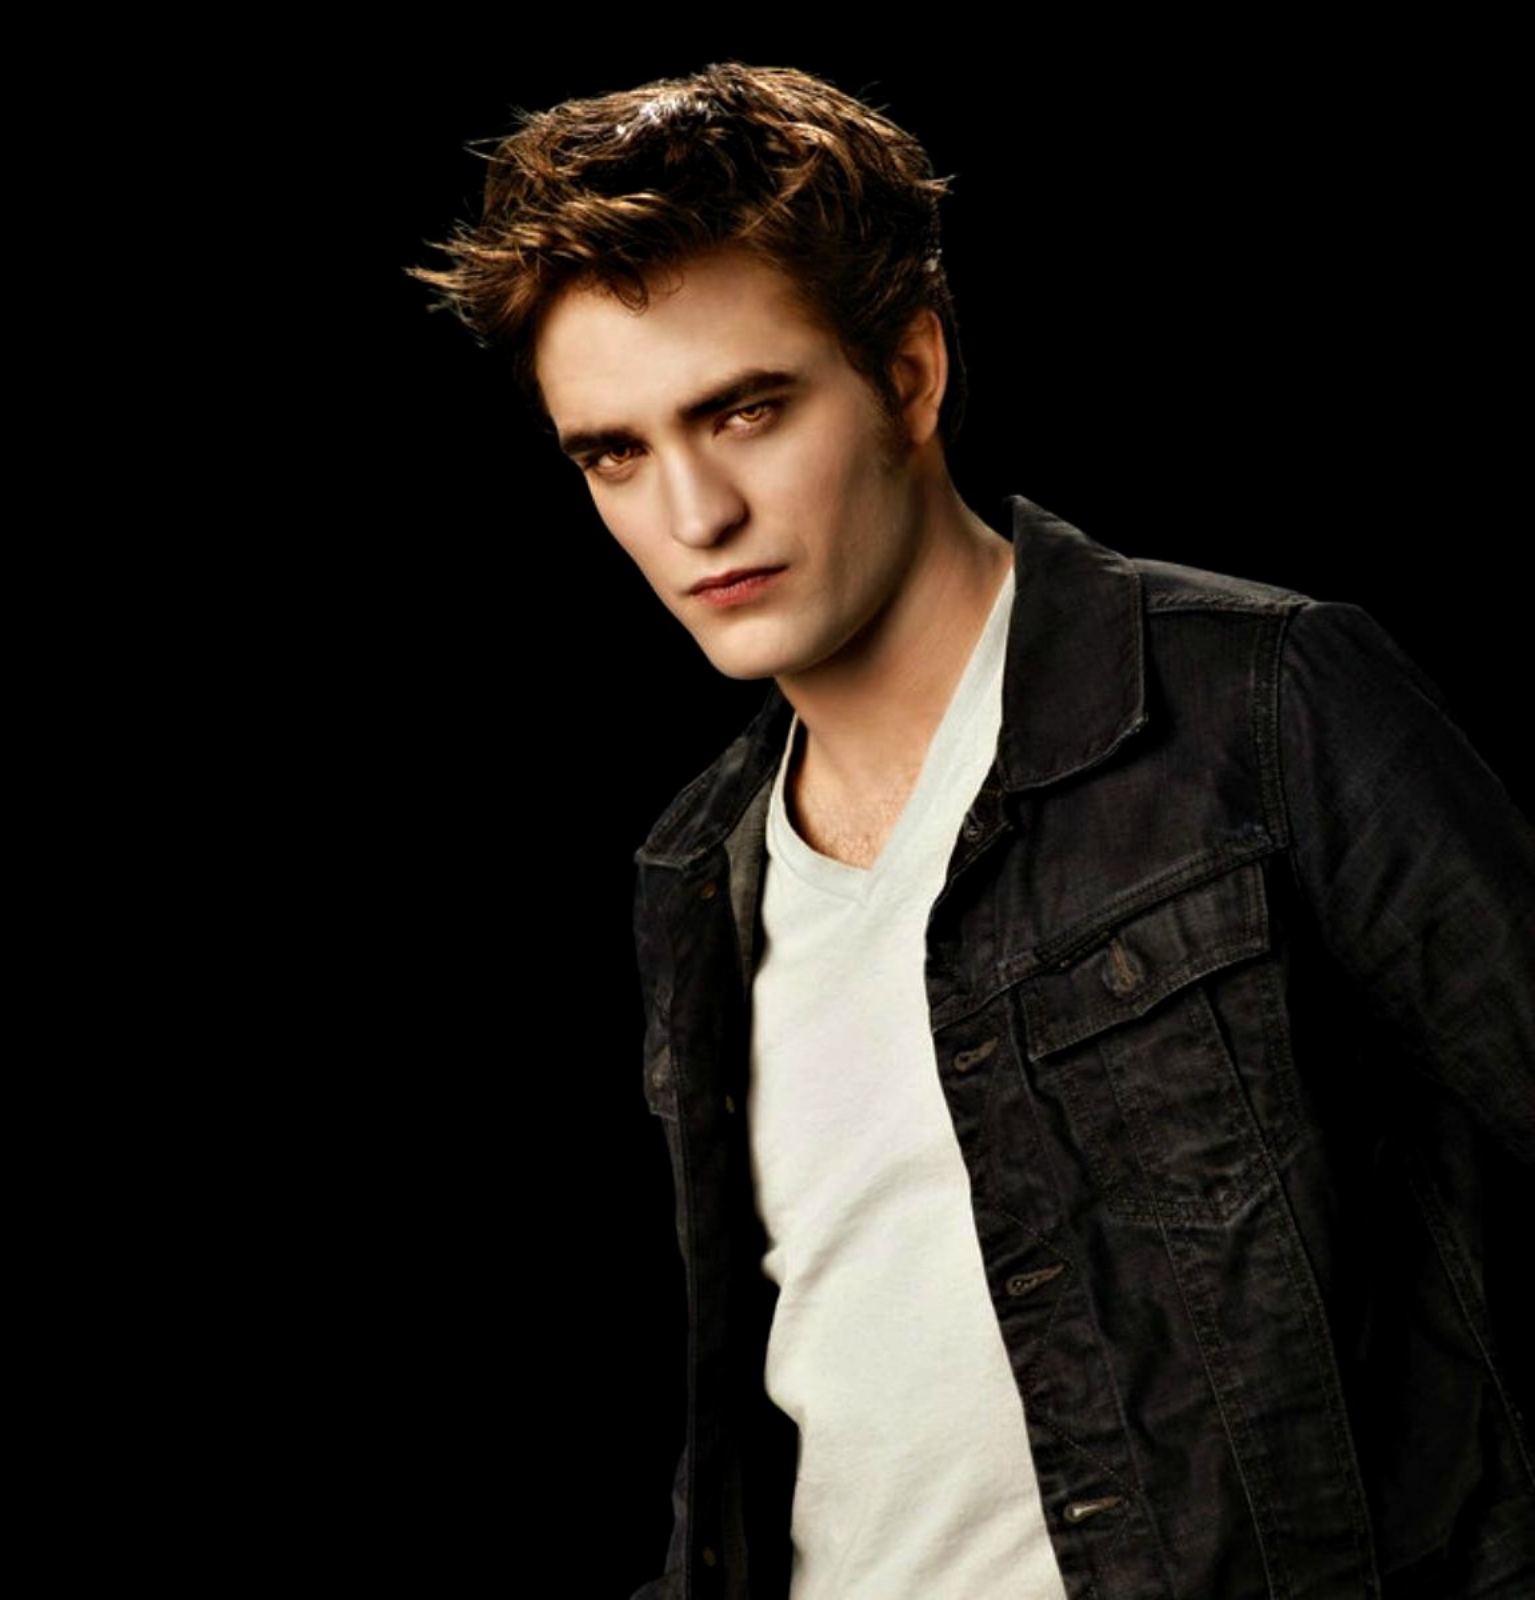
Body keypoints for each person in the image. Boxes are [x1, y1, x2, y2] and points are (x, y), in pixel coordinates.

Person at [411, 63, 1534, 1599]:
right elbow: (764, 1422)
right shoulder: (696, 872)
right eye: (616, 452)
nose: (693, 515)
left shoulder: (1259, 707)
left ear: (912, 375)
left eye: (747, 411)